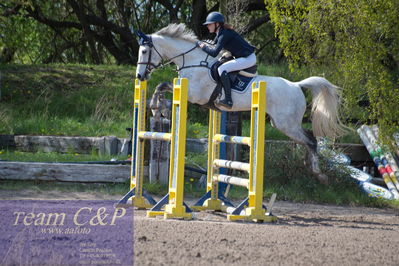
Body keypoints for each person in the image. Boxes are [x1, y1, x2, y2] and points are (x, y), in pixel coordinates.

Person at [197, 11, 256, 108]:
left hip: (248, 58)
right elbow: (213, 45)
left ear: (217, 24)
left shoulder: (224, 34)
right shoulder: (220, 33)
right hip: (242, 57)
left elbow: (214, 53)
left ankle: (228, 100)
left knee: (222, 69)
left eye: (209, 24)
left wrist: (202, 46)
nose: (207, 26)